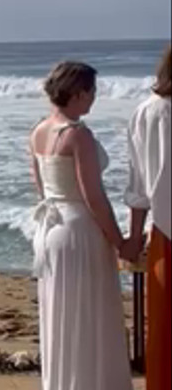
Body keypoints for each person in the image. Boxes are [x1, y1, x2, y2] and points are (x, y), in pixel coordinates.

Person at [29, 61, 133, 390]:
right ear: (78, 93)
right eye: (92, 92)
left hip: (49, 228)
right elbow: (94, 197)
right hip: (78, 230)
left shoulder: (38, 131)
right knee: (89, 314)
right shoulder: (78, 134)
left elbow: (40, 188)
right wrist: (120, 241)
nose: (94, 99)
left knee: (60, 314)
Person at [124, 44, 171, 390]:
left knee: (163, 329)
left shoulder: (145, 112)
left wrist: (133, 237)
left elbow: (138, 185)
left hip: (163, 233)